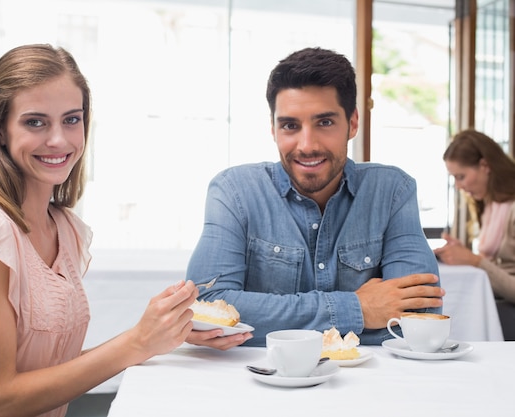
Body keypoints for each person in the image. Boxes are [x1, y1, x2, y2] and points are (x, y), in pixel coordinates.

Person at [0, 44, 204, 417]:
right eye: (35, 122)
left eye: (72, 119)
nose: (59, 140)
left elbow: (47, 375)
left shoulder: (66, 229)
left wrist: (157, 339)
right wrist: (135, 342)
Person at [186, 47, 444, 347]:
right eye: (290, 126)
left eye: (324, 122)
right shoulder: (234, 192)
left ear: (353, 123)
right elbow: (206, 308)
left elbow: (419, 315)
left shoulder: (393, 191)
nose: (306, 145)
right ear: (273, 128)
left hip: (366, 385)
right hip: (261, 383)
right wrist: (357, 309)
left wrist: (261, 319)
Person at [433, 129, 515, 339]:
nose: (459, 186)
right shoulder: (492, 205)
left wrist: (475, 261)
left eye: (461, 177)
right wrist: (464, 254)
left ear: (485, 166)